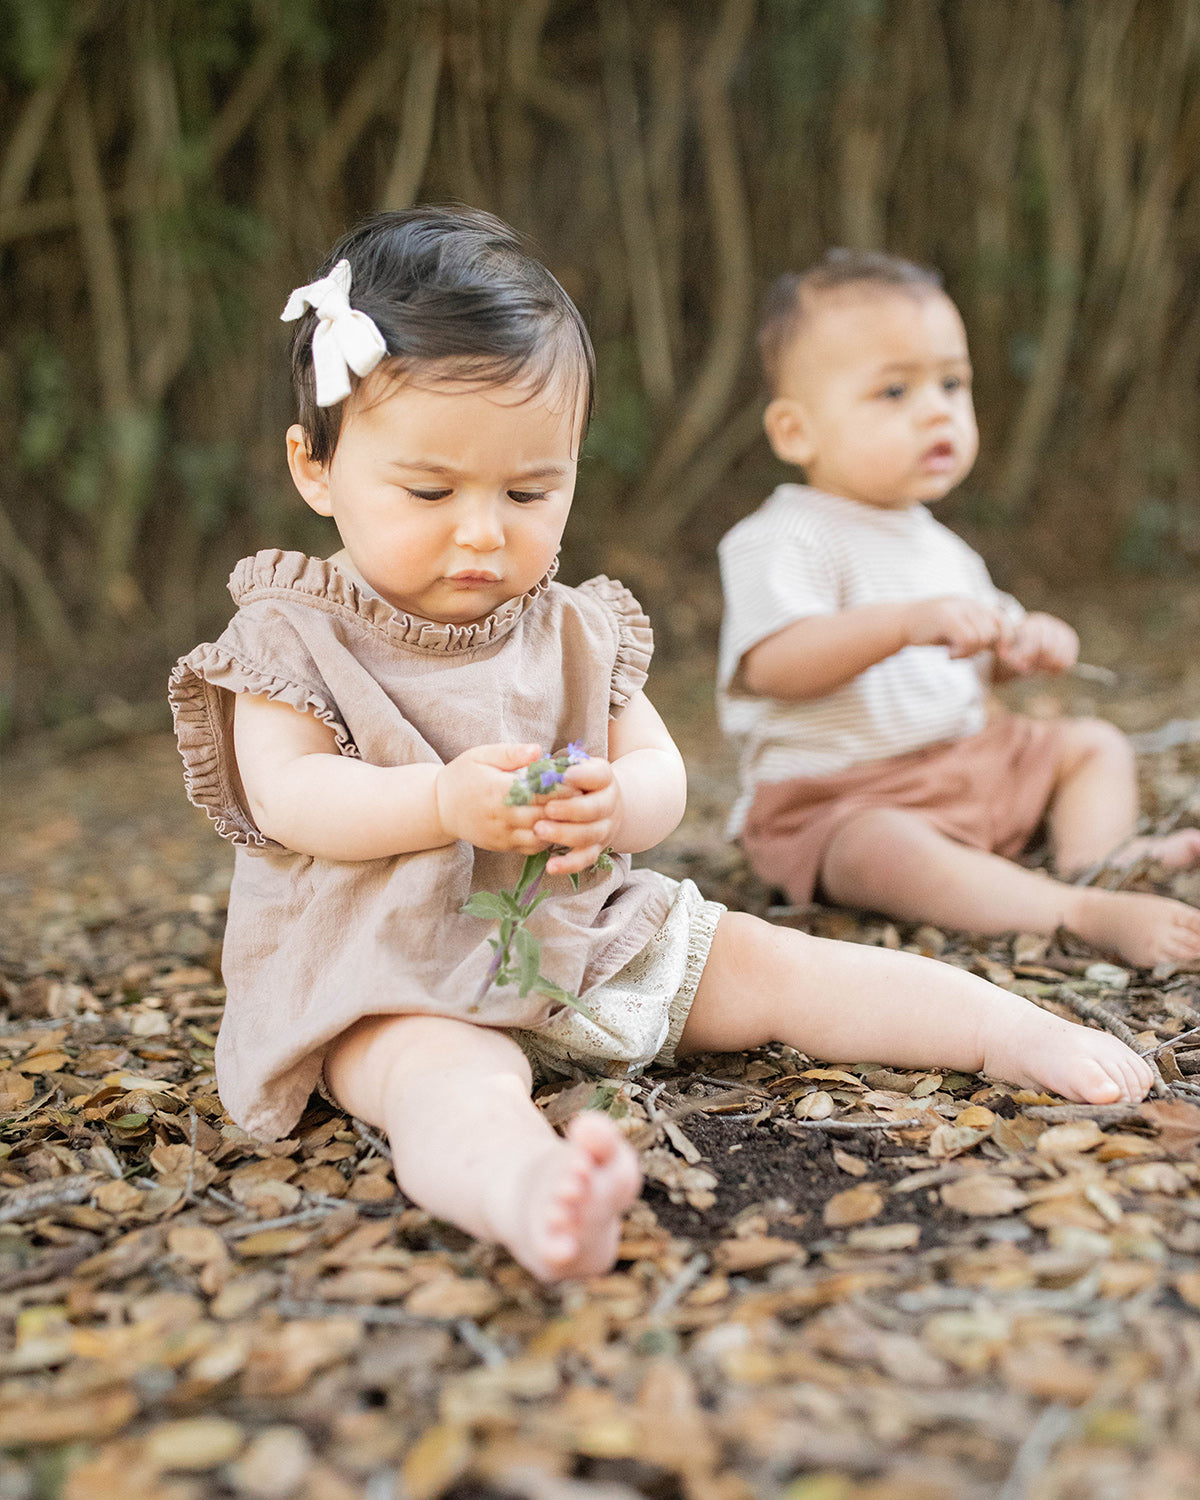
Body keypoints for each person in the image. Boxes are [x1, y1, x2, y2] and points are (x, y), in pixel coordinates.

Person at [171, 213, 1155, 1285]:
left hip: (582, 928)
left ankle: (1000, 1028)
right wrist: (441, 806)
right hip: (382, 966)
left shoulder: (575, 626)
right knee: (443, 1083)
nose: (484, 531)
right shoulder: (289, 633)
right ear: (314, 468)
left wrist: (617, 802)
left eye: (530, 491)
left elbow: (662, 773)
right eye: (430, 491)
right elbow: (291, 798)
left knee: (780, 965)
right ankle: (530, 1191)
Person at [718, 249, 1200, 971]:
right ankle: (1079, 910)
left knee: (1092, 744)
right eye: (894, 392)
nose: (937, 408)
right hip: (842, 796)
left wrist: (1026, 644)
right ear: (796, 431)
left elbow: (982, 662)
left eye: (952, 382)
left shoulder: (942, 549)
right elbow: (775, 665)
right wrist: (905, 625)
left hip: (964, 762)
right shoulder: (782, 537)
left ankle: (1096, 861)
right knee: (879, 851)